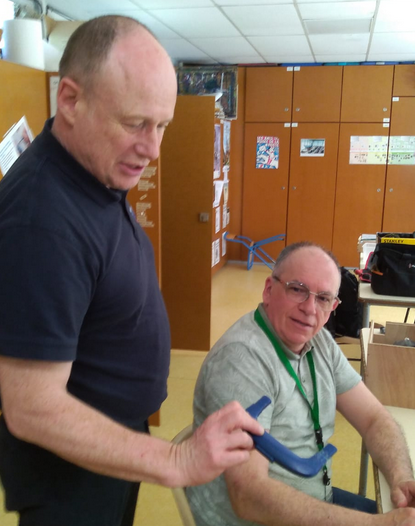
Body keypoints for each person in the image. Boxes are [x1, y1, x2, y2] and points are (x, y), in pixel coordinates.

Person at [0, 16, 263, 526]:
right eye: (135, 123)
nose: (153, 148)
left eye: (162, 126)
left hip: (112, 441)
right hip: (71, 469)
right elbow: (32, 409)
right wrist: (176, 461)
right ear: (70, 100)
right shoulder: (42, 220)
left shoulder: (94, 170)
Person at [188, 242, 415, 526]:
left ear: (333, 307)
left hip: (314, 499)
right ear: (268, 290)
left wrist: (401, 476)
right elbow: (248, 495)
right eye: (297, 289)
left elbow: (373, 418)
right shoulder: (240, 361)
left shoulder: (318, 341)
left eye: (323, 298)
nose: (309, 308)